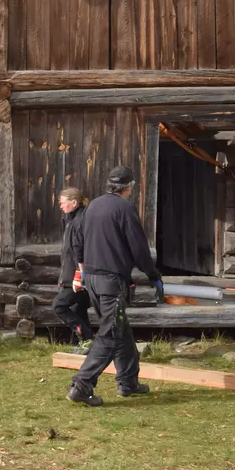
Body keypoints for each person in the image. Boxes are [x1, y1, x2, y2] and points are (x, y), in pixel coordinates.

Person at [66, 166, 161, 407]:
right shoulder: (125, 209)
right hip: (110, 282)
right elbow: (138, 247)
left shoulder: (92, 207)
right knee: (109, 334)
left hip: (93, 280)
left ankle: (128, 381)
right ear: (129, 187)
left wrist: (83, 270)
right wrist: (152, 274)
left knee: (120, 329)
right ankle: (82, 385)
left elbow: (77, 240)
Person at [51, 187, 93, 350]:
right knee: (79, 309)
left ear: (73, 202)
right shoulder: (70, 220)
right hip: (72, 275)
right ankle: (86, 344)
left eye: (62, 203)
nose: (60, 206)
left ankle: (87, 338)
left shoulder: (80, 221)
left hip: (77, 276)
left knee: (59, 306)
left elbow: (81, 250)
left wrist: (78, 275)